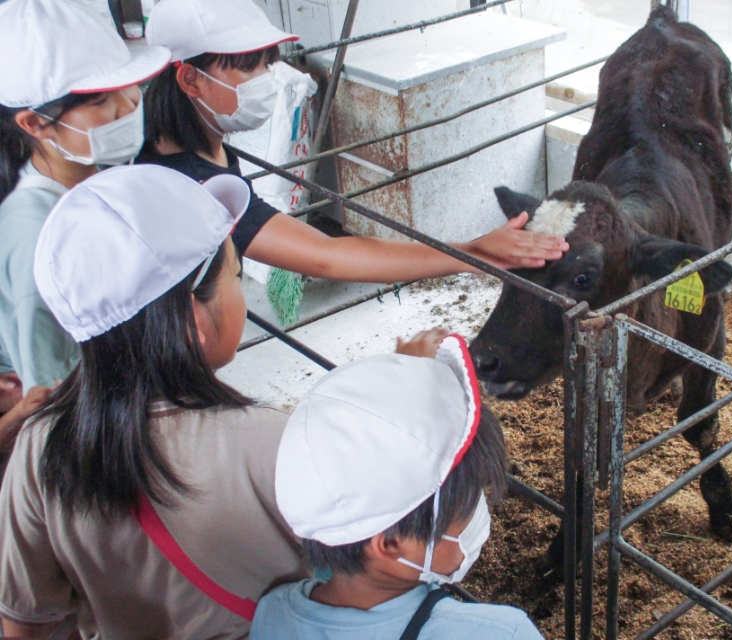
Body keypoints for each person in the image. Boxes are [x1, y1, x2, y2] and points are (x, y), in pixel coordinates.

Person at [0, 165, 313, 638]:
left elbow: (26, 625)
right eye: (235, 274)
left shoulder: (41, 446)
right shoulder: (275, 442)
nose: (241, 292)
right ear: (193, 321)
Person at [140, 0, 568, 288]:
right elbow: (327, 257)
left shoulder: (199, 147)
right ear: (190, 79)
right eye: (249, 67)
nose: (267, 80)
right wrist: (474, 252)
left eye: (269, 63)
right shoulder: (187, 185)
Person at [252, 335, 545, 640]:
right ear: (391, 543)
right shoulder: (501, 634)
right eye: (469, 503)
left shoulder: (272, 613)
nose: (482, 513)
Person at [0, 0, 170, 395]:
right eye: (100, 101)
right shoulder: (35, 239)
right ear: (34, 123)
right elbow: (53, 395)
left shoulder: (97, 176)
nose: (129, 106)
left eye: (129, 88)